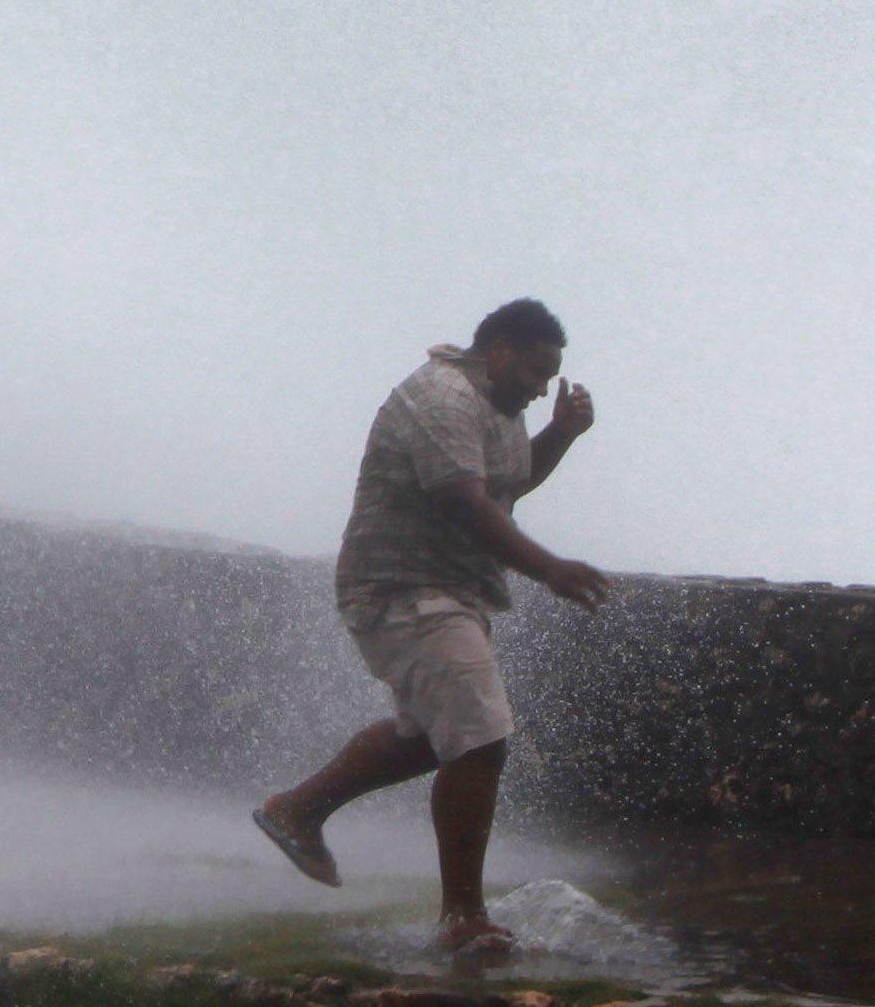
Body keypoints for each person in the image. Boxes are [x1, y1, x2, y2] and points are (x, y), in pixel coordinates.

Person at [254, 298, 610, 956]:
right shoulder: (441, 396)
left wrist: (561, 431)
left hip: (451, 591)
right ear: (498, 350)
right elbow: (468, 505)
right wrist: (549, 568)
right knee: (479, 741)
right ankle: (463, 918)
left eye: (550, 374)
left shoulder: (502, 411)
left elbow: (507, 483)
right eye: (536, 370)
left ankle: (297, 809)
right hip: (400, 589)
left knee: (434, 737)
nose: (540, 385)